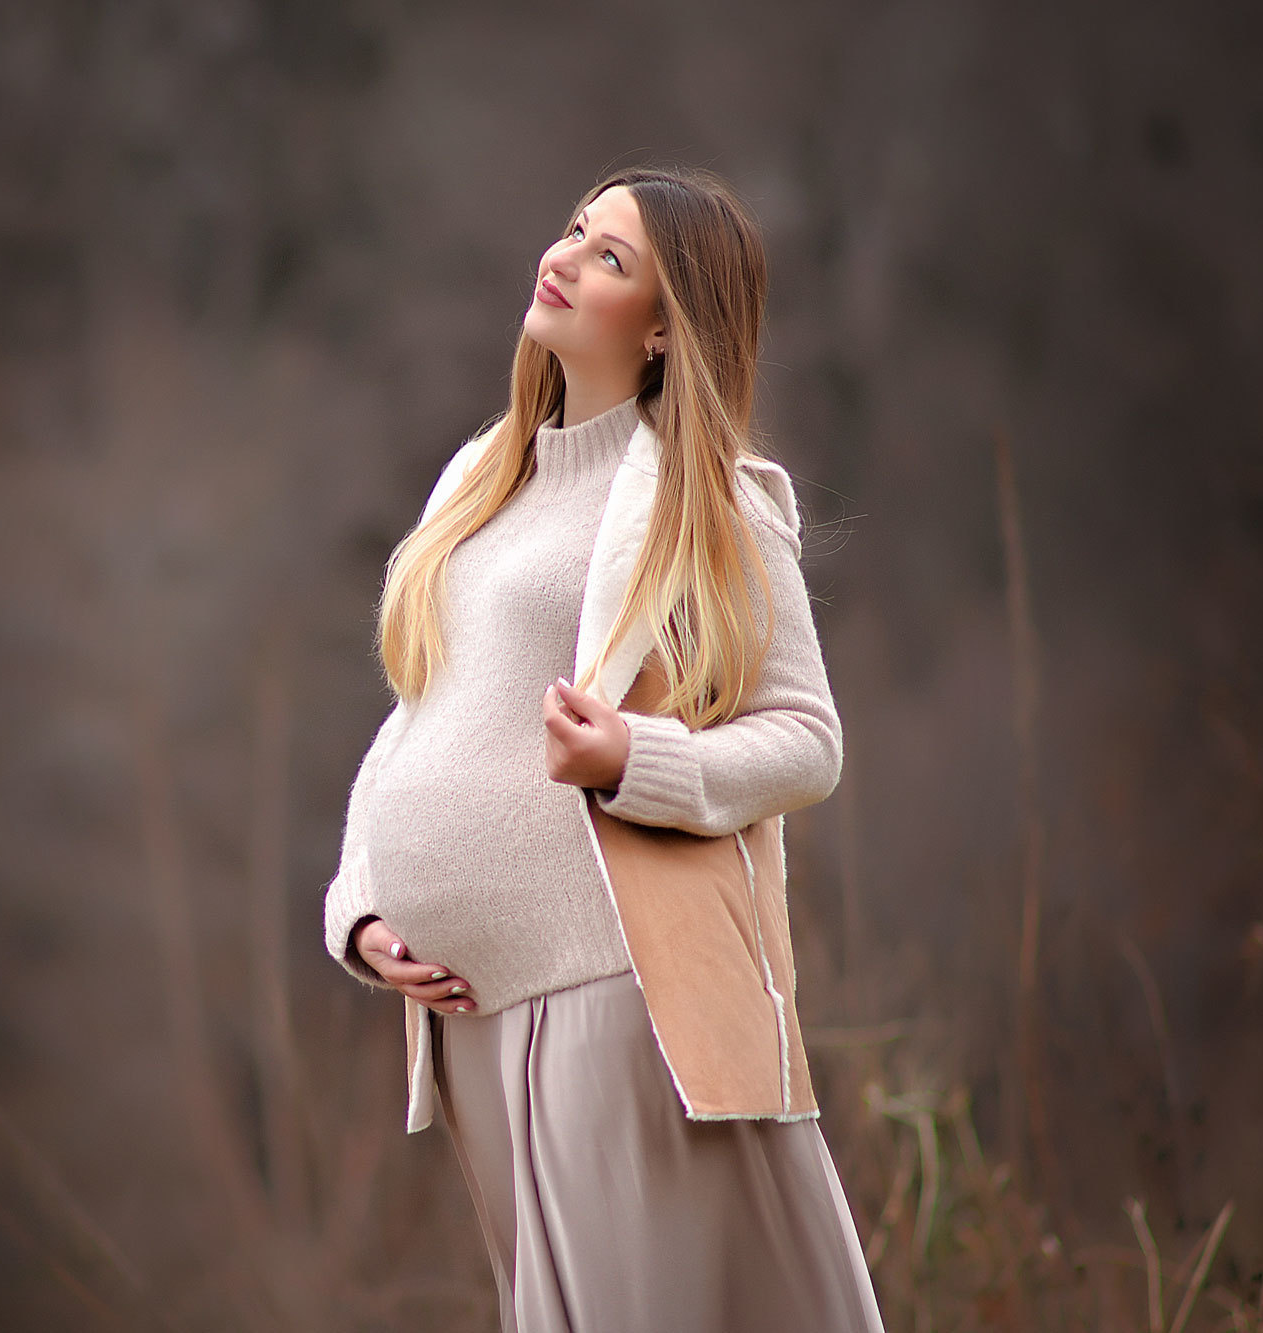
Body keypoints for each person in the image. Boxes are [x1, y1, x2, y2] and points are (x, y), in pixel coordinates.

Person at [320, 165, 886, 1332]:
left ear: (668, 328)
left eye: (610, 257)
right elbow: (422, 716)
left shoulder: (708, 496)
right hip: (471, 1014)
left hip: (611, 994)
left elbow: (806, 740)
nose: (565, 256)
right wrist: (362, 912)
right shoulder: (480, 476)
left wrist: (637, 757)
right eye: (574, 229)